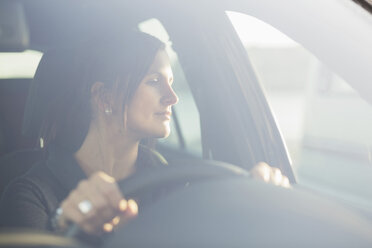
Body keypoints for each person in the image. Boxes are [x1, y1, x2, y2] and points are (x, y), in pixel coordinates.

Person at [0, 31, 290, 239]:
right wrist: (64, 227)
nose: (173, 98)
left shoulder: (169, 183)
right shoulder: (31, 194)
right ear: (104, 98)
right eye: (154, 81)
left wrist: (255, 199)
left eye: (171, 82)